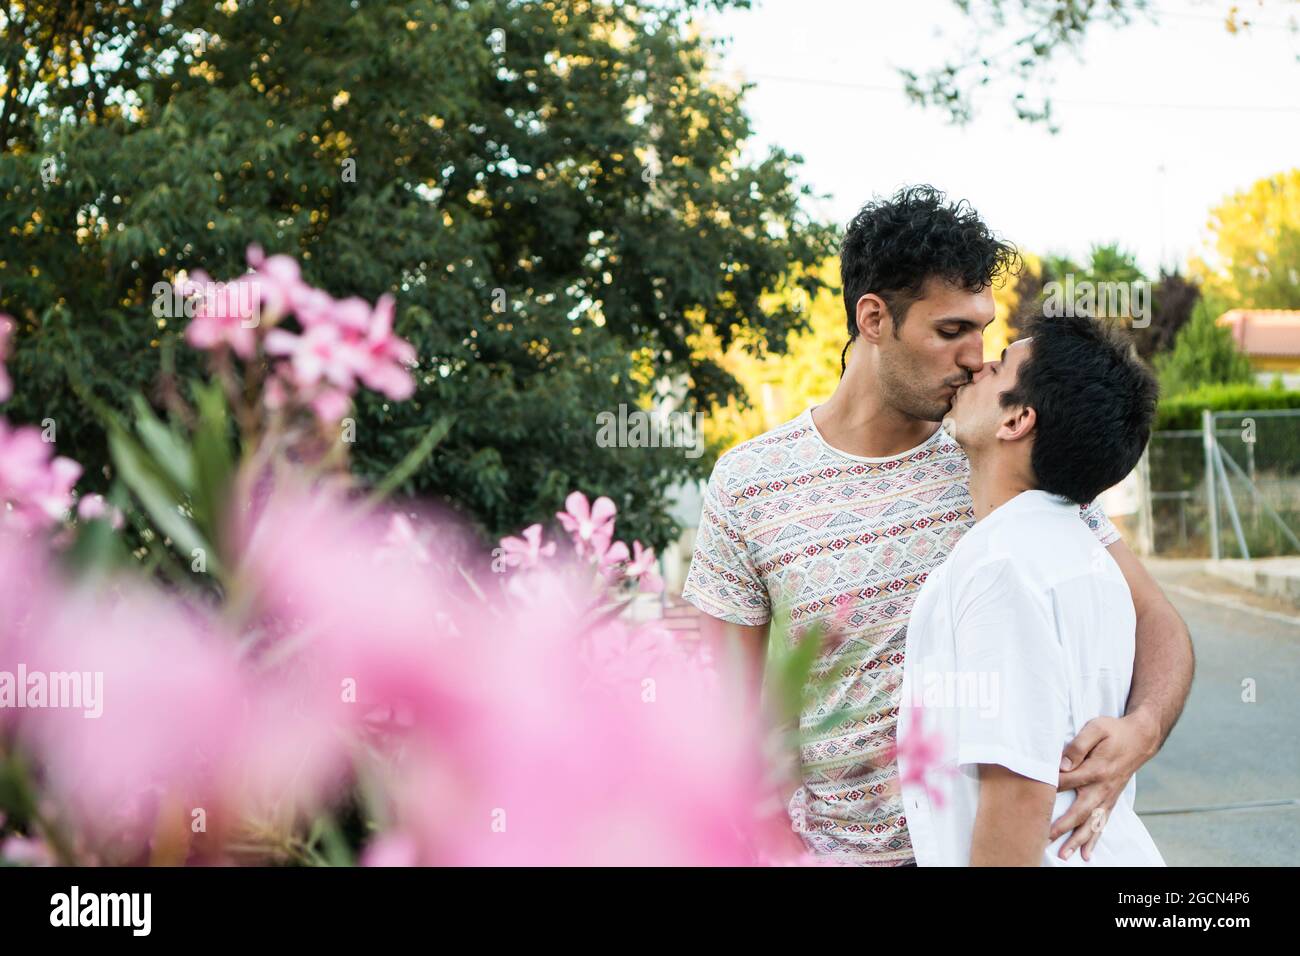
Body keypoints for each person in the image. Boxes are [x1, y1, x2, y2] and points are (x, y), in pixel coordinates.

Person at [681, 185, 1194, 865]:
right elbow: (731, 715)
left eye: (984, 329)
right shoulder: (749, 484)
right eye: (952, 331)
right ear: (873, 318)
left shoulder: (1008, 461)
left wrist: (1144, 728)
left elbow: (1159, 624)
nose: (978, 357)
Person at [897, 314, 1166, 865]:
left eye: (997, 367)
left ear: (1017, 419)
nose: (976, 366)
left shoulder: (1002, 565)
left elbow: (1019, 789)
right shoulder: (1085, 551)